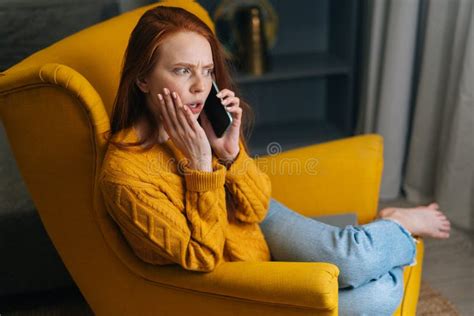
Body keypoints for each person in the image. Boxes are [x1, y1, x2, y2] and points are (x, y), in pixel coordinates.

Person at [99, 5, 451, 315]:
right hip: (227, 271)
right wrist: (201, 165)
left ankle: (388, 227)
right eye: (182, 70)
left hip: (250, 226)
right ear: (143, 79)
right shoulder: (124, 176)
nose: (200, 87)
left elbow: (255, 207)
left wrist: (230, 154)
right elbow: (203, 258)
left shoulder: (203, 122)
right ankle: (390, 237)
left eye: (207, 70)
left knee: (353, 258)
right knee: (374, 298)